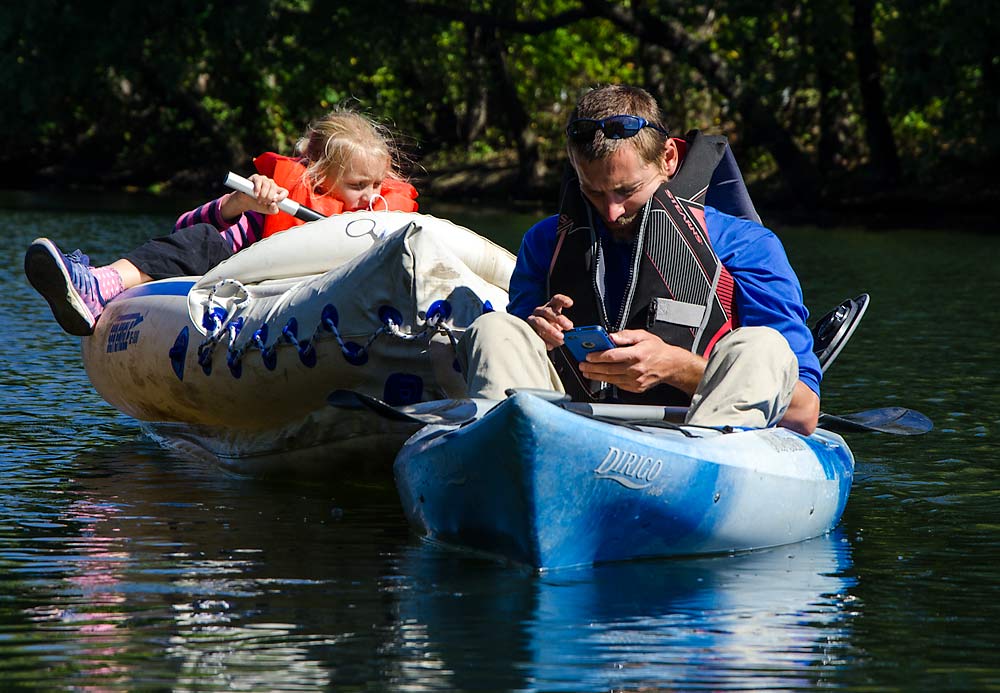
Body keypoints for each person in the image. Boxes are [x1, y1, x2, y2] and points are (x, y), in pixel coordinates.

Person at [458, 85, 821, 435]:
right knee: (497, 329)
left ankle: (705, 469)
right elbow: (515, 352)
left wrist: (676, 368)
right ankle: (507, 458)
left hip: (700, 440)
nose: (612, 212)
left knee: (763, 345)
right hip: (561, 432)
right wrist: (537, 335)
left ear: (668, 160)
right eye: (594, 192)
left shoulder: (748, 245)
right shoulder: (543, 242)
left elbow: (803, 410)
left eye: (626, 191)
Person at [24, 108, 419, 337]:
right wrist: (242, 202)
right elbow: (186, 225)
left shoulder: (384, 215)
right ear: (318, 175)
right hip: (257, 292)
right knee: (203, 239)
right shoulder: (277, 200)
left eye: (376, 183)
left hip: (341, 306)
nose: (369, 194)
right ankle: (99, 285)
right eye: (356, 185)